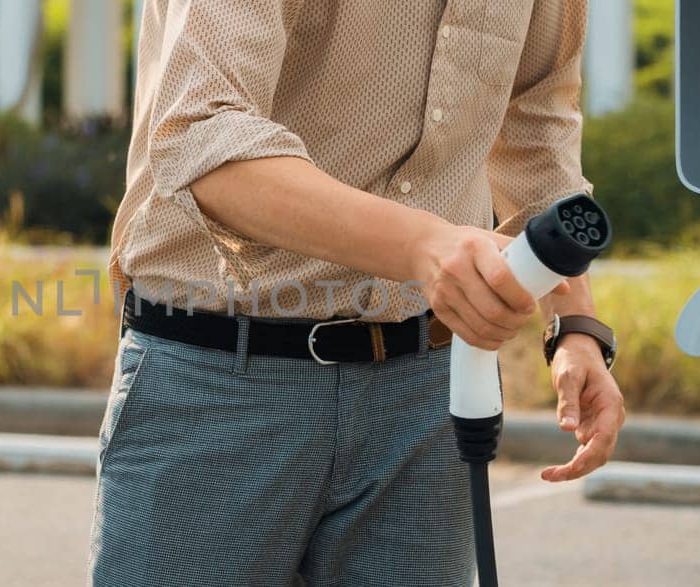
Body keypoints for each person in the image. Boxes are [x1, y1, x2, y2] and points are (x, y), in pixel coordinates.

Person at [91, 1, 625, 584]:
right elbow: (202, 135)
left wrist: (574, 325)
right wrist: (423, 246)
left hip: (427, 393)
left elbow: (534, 115)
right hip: (218, 382)